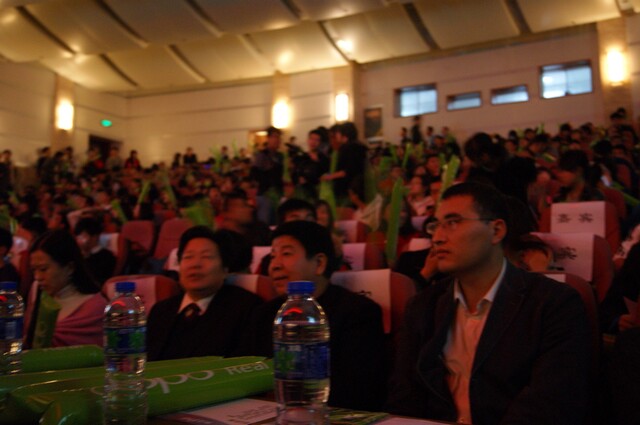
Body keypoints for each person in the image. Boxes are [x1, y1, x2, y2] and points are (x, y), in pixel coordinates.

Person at [387, 182, 591, 424]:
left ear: (496, 231)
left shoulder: (552, 304)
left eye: (453, 223)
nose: (438, 238)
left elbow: (548, 404)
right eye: (436, 225)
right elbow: (405, 398)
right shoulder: (423, 306)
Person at [240, 221, 387, 411]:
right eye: (273, 256)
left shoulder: (358, 313)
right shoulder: (264, 314)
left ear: (319, 263)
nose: (274, 265)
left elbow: (359, 390)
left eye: (286, 254)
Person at [146, 226, 263, 361]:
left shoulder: (247, 308)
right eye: (188, 257)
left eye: (206, 257)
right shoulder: (160, 311)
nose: (195, 264)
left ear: (225, 270)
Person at [26, 230, 107, 347]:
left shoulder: (95, 307)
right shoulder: (37, 292)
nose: (37, 277)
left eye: (43, 269)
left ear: (69, 268)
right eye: (34, 270)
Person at [74, 217, 116, 286]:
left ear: (95, 237)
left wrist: (85, 254)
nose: (79, 241)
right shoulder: (80, 256)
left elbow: (95, 280)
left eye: (83, 237)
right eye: (78, 238)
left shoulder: (106, 256)